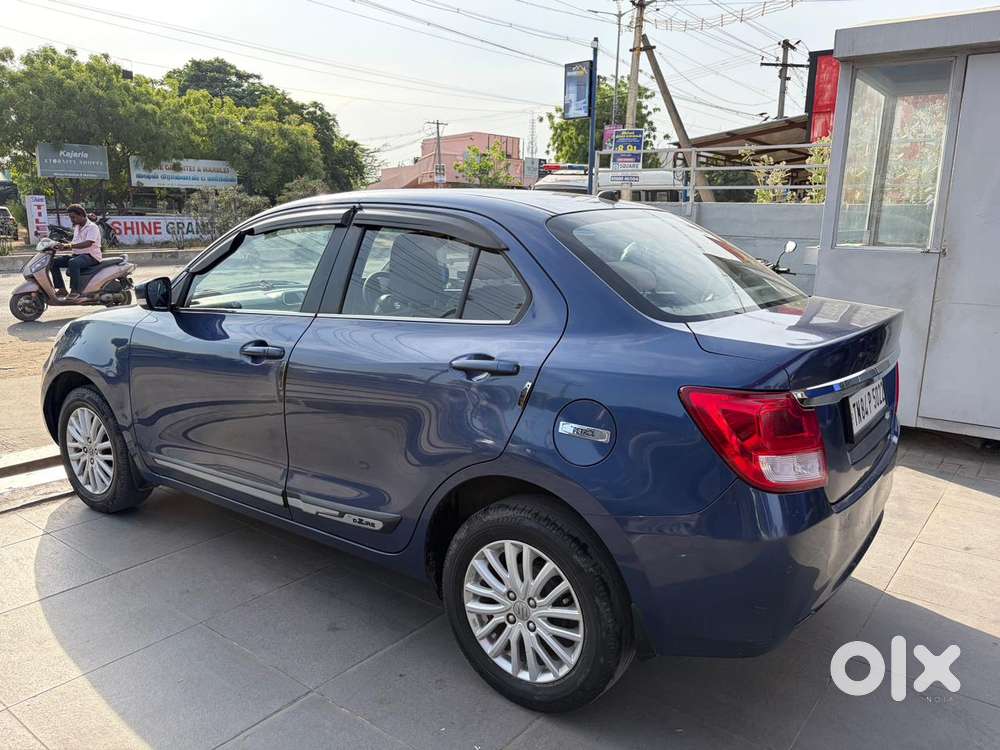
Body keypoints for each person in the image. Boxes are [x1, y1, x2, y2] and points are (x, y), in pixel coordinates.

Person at [51, 204, 102, 299]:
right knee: (53, 262)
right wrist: (60, 245)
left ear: (82, 215)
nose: (72, 220)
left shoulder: (92, 227)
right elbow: (75, 243)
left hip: (91, 256)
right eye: (70, 217)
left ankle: (75, 291)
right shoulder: (77, 227)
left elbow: (88, 243)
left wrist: (68, 245)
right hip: (78, 255)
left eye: (73, 217)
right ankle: (61, 289)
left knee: (73, 262)